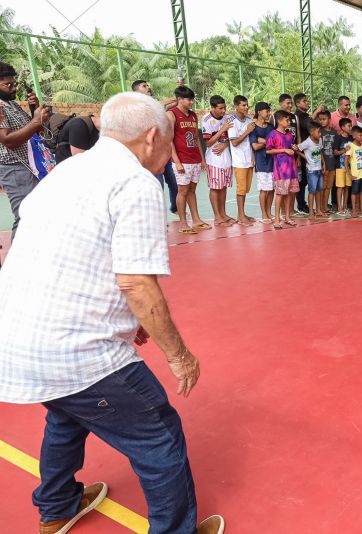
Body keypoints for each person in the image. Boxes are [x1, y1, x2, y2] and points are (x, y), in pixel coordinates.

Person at [0, 91, 224, 534]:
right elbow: (137, 281)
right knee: (158, 433)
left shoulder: (67, 172)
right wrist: (179, 355)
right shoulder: (136, 182)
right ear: (153, 135)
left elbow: (76, 254)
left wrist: (131, 317)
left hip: (17, 338)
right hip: (77, 350)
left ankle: (58, 507)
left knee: (66, 414)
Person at [0, 62, 50, 240]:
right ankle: (17, 265)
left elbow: (33, 132)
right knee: (25, 216)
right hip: (15, 168)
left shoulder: (10, 104)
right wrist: (36, 121)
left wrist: (33, 110)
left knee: (37, 213)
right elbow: (8, 140)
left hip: (30, 165)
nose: (13, 88)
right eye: (8, 85)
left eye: (14, 84)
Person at [167, 85, 209, 235]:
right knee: (183, 191)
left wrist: (202, 159)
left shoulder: (192, 115)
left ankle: (196, 220)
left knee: (192, 190)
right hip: (182, 159)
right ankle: (183, 223)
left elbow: (197, 138)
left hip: (195, 159)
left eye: (192, 99)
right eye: (188, 99)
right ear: (179, 99)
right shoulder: (172, 114)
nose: (191, 102)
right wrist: (176, 161)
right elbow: (169, 139)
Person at [132, 78, 178, 213]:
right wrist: (175, 96)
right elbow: (167, 102)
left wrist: (179, 90)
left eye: (147, 85)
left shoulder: (156, 106)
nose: (148, 87)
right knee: (157, 187)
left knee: (174, 183)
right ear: (136, 92)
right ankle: (157, 217)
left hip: (163, 152)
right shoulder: (138, 106)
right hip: (150, 155)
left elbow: (176, 102)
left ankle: (174, 208)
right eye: (144, 86)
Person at [201, 95, 235, 226]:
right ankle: (217, 217)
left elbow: (231, 139)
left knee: (224, 187)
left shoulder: (227, 118)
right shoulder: (206, 119)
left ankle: (223, 214)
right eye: (220, 108)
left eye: (224, 107)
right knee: (215, 188)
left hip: (226, 158)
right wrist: (222, 130)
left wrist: (225, 145)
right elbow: (208, 143)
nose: (223, 111)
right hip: (214, 159)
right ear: (213, 107)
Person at [265, 110, 299, 228]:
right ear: (279, 121)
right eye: (287, 120)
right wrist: (284, 150)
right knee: (280, 194)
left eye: (289, 120)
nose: (289, 122)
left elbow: (290, 146)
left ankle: (287, 217)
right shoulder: (273, 134)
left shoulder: (290, 134)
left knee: (289, 193)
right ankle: (277, 219)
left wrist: (293, 147)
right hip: (281, 170)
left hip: (291, 168)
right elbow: (268, 150)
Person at [229, 95, 256, 226]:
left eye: (247, 105)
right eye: (243, 105)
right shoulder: (231, 121)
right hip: (239, 161)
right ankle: (240, 216)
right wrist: (247, 131)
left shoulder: (249, 120)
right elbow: (234, 142)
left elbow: (251, 142)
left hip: (249, 160)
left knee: (246, 189)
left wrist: (254, 157)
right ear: (236, 106)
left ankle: (243, 214)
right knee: (241, 189)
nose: (246, 107)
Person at [249, 102, 275, 223]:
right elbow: (255, 146)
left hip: (272, 161)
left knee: (271, 189)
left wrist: (262, 141)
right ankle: (264, 214)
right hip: (261, 162)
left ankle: (269, 212)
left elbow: (274, 142)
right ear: (259, 112)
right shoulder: (253, 127)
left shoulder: (270, 127)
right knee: (264, 190)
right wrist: (267, 142)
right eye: (266, 111)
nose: (268, 113)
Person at [297, 121, 324, 218]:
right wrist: (305, 157)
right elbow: (297, 149)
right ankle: (311, 212)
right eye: (318, 132)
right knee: (312, 191)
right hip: (311, 170)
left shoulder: (319, 140)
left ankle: (319, 210)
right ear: (312, 132)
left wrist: (323, 164)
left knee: (319, 190)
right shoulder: (307, 142)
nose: (320, 134)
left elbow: (320, 152)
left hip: (319, 169)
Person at [345, 125, 362, 217]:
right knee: (354, 192)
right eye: (360, 135)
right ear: (354, 136)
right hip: (355, 175)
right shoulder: (351, 146)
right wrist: (349, 174)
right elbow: (346, 161)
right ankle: (354, 210)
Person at [318, 110, 337, 215]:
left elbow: (335, 148)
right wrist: (323, 163)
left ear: (329, 120)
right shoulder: (319, 132)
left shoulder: (334, 132)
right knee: (322, 186)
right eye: (320, 119)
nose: (322, 121)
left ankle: (325, 206)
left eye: (324, 119)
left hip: (332, 163)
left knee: (329, 186)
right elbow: (319, 149)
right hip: (323, 164)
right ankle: (320, 207)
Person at [333, 118, 354, 215]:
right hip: (340, 167)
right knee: (340, 187)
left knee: (347, 186)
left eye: (351, 126)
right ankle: (339, 208)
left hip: (349, 167)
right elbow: (335, 152)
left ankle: (345, 206)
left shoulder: (351, 138)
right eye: (349, 126)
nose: (350, 128)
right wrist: (344, 150)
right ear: (342, 127)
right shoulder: (338, 138)